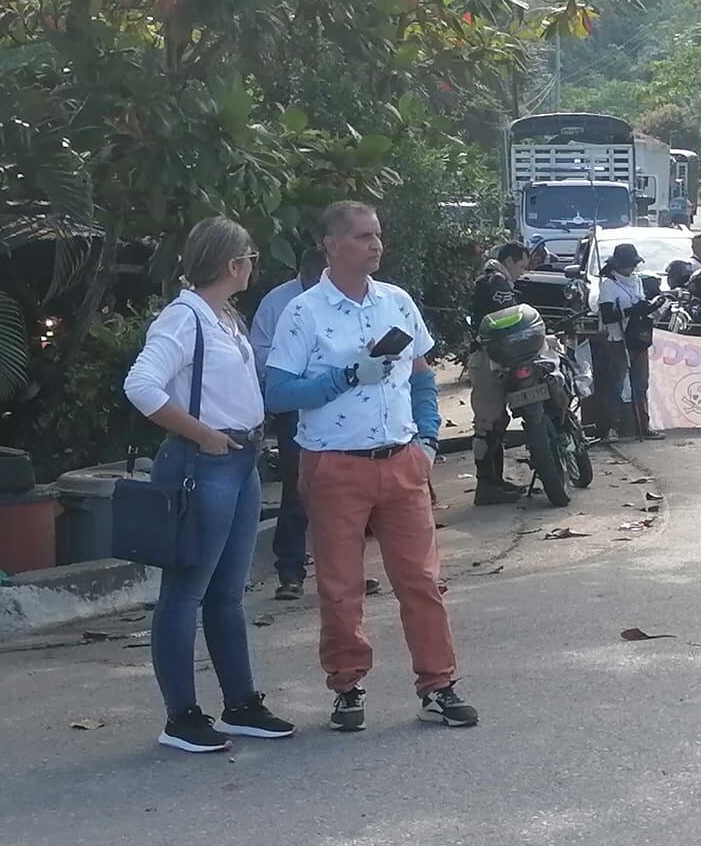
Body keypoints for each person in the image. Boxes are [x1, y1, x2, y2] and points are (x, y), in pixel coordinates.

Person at [264, 201, 475, 733]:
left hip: (401, 460)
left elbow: (422, 371)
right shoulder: (303, 312)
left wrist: (428, 439)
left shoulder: (397, 302)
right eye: (362, 237)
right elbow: (279, 393)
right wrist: (345, 377)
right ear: (332, 245)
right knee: (340, 586)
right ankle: (347, 686)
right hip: (335, 465)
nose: (375, 245)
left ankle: (438, 685)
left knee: (422, 582)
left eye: (377, 235)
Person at [123, 218, 295, 753]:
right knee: (185, 592)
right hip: (204, 464)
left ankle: (241, 703)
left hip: (238, 463)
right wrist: (205, 435)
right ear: (232, 263)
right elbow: (141, 385)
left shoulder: (223, 317)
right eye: (250, 256)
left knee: (226, 592)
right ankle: (182, 716)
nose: (253, 265)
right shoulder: (184, 318)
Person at [251, 248, 324, 599]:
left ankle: (346, 570)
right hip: (295, 402)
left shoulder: (345, 297)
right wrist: (292, 364)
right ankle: (290, 571)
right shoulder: (278, 302)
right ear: (302, 275)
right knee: (298, 488)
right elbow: (259, 349)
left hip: (338, 404)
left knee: (343, 490)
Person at [465, 240, 536, 505]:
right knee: (487, 422)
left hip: (494, 359)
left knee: (498, 422)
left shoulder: (492, 281)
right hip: (487, 360)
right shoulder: (496, 283)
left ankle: (495, 481)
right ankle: (486, 485)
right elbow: (510, 319)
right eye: (521, 266)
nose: (522, 273)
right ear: (509, 261)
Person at [591, 243, 646, 441]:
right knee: (616, 385)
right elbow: (606, 316)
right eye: (627, 265)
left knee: (640, 384)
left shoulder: (637, 281)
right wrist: (630, 311)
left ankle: (642, 425)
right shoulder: (609, 285)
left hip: (638, 339)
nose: (630, 269)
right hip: (618, 339)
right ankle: (611, 427)